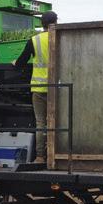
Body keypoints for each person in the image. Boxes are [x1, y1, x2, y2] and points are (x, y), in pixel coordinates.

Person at [30, 10, 58, 162]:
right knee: (58, 122)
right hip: (57, 88)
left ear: (42, 24)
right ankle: (55, 154)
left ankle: (40, 156)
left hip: (39, 88)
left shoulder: (34, 40)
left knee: (40, 123)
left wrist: (15, 63)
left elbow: (21, 60)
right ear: (56, 22)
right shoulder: (59, 37)